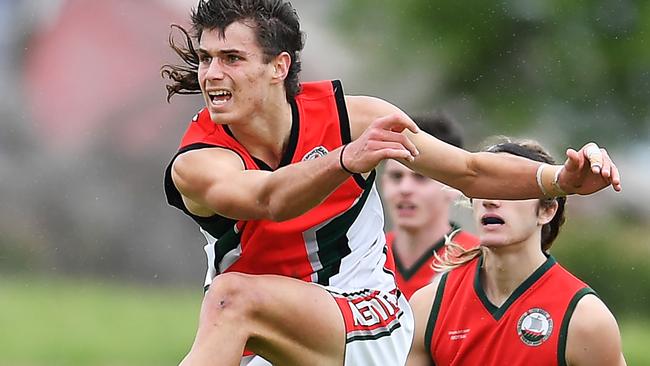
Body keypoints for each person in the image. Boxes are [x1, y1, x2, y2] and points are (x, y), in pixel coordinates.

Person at [160, 1, 621, 365]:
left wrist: (559, 179)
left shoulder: (356, 117)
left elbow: (469, 171)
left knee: (229, 297)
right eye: (205, 58)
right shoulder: (197, 163)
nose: (211, 74)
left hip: (367, 323)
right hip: (267, 338)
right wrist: (343, 160)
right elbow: (269, 198)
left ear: (279, 67)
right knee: (232, 302)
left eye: (231, 58)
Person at [406, 139, 626, 366]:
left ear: (547, 210)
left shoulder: (585, 319)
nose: (490, 200)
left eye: (508, 190)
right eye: (482, 188)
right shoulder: (428, 306)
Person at [381, 112, 479, 300]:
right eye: (396, 177)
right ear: (383, 184)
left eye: (420, 178)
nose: (405, 189)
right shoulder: (363, 256)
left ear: (453, 186)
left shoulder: (477, 263)